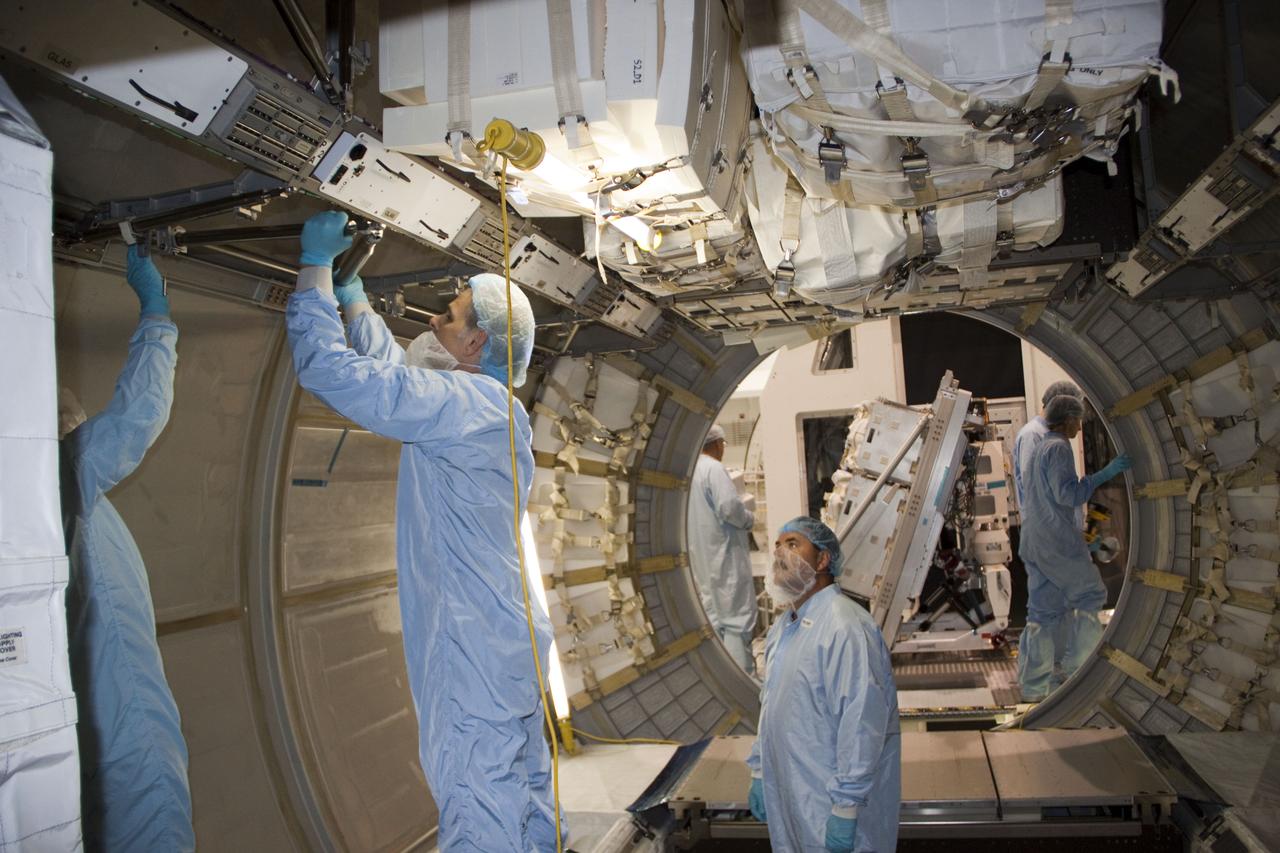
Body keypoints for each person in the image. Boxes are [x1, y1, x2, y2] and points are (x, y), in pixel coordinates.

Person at [284, 210, 561, 852]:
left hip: (470, 647)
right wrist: (355, 305)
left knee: (476, 798)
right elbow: (402, 386)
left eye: (450, 315)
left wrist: (316, 272)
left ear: (474, 347)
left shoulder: (463, 406)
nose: (434, 320)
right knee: (522, 791)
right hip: (505, 639)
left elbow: (342, 379)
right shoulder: (496, 410)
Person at [61, 246, 193, 851]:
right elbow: (140, 411)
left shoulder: (69, 485)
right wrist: (156, 315)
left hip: (96, 696)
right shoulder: (64, 472)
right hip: (117, 701)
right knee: (149, 809)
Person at [746, 517, 900, 853]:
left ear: (823, 559)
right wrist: (759, 769)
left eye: (793, 544)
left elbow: (861, 723)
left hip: (831, 803)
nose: (780, 553)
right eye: (777, 545)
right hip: (792, 797)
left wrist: (846, 807)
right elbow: (770, 705)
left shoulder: (844, 627)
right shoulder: (784, 628)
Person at [1017, 394, 1131, 701]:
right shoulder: (1058, 447)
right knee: (1091, 595)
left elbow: (1044, 500)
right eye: (1078, 421)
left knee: (1044, 610)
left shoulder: (1039, 447)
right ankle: (1079, 671)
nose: (1080, 427)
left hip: (1035, 539)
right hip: (1055, 542)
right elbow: (1068, 495)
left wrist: (1086, 537)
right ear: (1067, 420)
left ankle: (1035, 685)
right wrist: (1106, 473)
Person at [688, 424, 757, 673]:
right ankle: (745, 683)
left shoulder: (689, 471)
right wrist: (749, 518)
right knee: (737, 622)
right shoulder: (713, 468)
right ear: (717, 444)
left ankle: (724, 679)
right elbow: (729, 507)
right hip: (725, 560)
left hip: (702, 561)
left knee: (715, 622)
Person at [1012, 380, 1082, 507]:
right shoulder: (1032, 435)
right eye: (1074, 417)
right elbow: (1034, 490)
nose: (1078, 427)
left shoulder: (1053, 434)